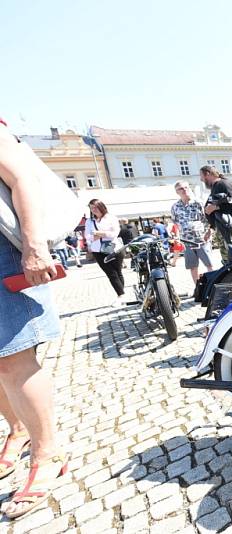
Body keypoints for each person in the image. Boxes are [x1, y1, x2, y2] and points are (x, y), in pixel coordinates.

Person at [0, 118, 67, 520]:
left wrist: (34, 248)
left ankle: (47, 453)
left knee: (13, 357)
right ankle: (18, 430)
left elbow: (22, 176)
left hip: (5, 251)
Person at [171, 180, 214, 283]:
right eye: (181, 189)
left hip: (202, 240)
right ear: (177, 192)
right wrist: (176, 236)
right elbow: (175, 222)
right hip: (187, 242)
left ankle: (213, 286)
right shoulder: (175, 207)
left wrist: (209, 232)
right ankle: (197, 289)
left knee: (209, 264)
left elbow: (209, 219)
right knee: (193, 267)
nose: (184, 190)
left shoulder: (198, 203)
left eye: (186, 187)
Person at [85, 199, 127, 304]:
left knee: (118, 272)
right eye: (91, 207)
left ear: (101, 206)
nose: (93, 210)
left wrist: (98, 233)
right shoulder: (89, 221)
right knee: (111, 273)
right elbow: (87, 236)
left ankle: (121, 294)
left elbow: (114, 234)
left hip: (113, 248)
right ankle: (121, 295)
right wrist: (100, 235)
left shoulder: (111, 218)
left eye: (95, 207)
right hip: (97, 250)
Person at [201, 165, 232, 264]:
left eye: (202, 176)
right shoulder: (215, 187)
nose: (201, 179)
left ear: (207, 174)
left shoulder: (223, 184)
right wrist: (211, 228)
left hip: (231, 228)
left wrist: (215, 207)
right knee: (228, 260)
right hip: (222, 228)